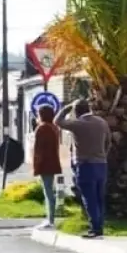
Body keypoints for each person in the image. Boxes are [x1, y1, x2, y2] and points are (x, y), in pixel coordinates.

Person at [54, 99, 111, 238]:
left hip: (85, 165)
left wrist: (67, 108)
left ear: (77, 111)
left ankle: (95, 229)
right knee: (99, 198)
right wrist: (103, 154)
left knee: (89, 198)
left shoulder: (78, 124)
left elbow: (57, 121)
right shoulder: (102, 122)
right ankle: (100, 227)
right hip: (101, 164)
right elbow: (108, 141)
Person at [32, 104, 62, 230]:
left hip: (45, 164)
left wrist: (36, 167)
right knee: (49, 190)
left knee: (48, 191)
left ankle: (50, 220)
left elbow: (38, 150)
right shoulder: (54, 127)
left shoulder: (42, 128)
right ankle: (50, 218)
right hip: (53, 162)